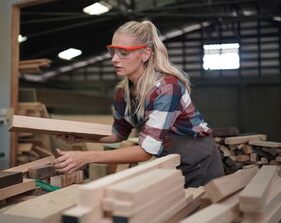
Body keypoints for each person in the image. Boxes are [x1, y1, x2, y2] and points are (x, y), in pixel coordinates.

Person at [53, 20, 224, 188]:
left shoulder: (167, 89)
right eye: (113, 52)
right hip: (170, 160)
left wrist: (86, 157)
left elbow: (145, 151)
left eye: (123, 53)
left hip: (199, 161)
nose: (114, 59)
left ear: (145, 54)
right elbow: (118, 134)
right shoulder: (122, 94)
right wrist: (80, 137)